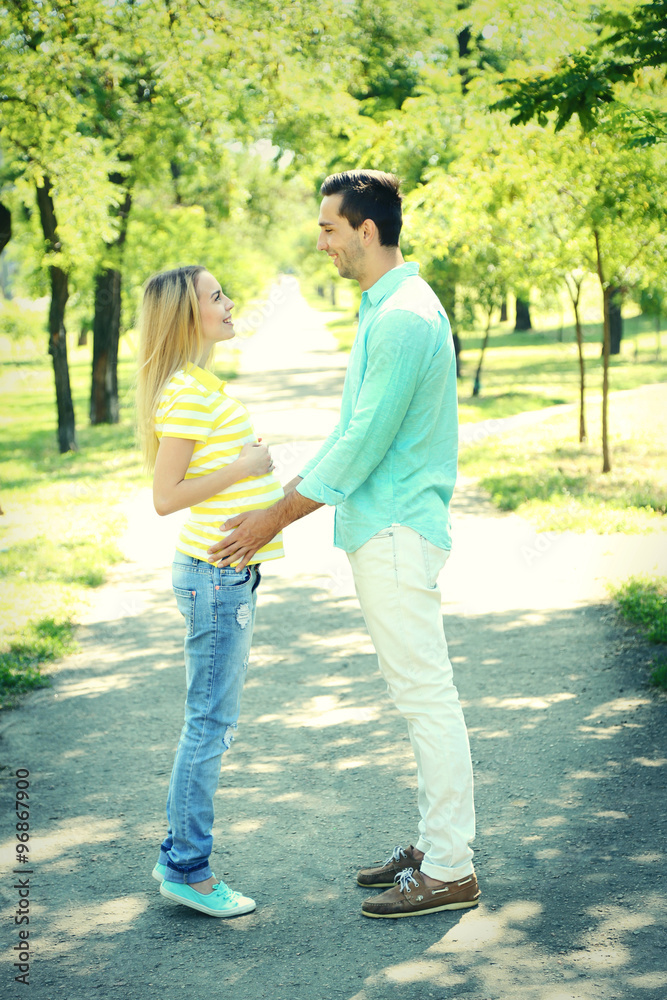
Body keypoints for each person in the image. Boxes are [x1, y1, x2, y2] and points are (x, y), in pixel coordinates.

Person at [207, 170, 480, 919]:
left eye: (328, 227)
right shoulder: (386, 308)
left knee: (426, 695)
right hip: (384, 525)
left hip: (396, 527)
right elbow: (350, 431)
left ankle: (452, 865)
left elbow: (363, 444)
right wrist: (277, 493)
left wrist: (274, 516)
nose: (319, 241)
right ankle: (436, 843)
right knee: (418, 693)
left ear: (366, 229)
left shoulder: (401, 318)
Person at [136, 265, 285, 917]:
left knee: (209, 720)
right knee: (209, 723)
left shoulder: (195, 384)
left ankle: (179, 854)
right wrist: (246, 465)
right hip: (215, 578)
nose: (230, 304)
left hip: (223, 576)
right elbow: (164, 498)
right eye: (216, 296)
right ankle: (187, 868)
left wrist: (241, 468)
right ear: (185, 316)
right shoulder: (187, 391)